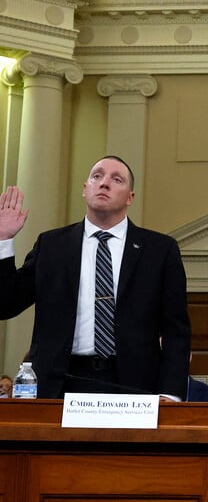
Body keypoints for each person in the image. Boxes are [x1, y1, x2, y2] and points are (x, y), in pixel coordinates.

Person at [0, 156, 191, 399]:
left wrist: (171, 393)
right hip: (60, 383)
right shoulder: (52, 245)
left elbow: (177, 330)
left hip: (134, 386)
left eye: (117, 179)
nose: (104, 183)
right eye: (97, 176)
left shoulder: (160, 250)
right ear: (85, 189)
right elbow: (6, 304)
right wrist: (3, 240)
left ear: (130, 197)